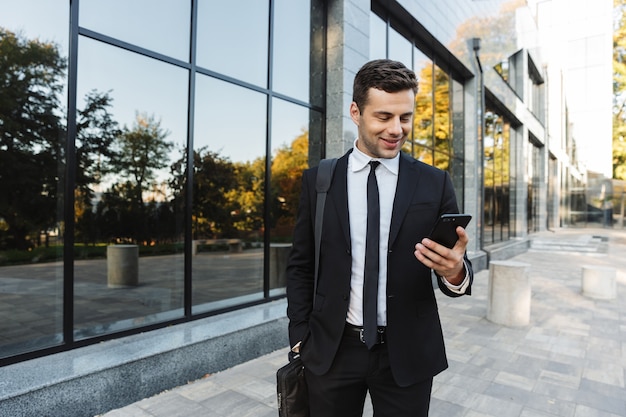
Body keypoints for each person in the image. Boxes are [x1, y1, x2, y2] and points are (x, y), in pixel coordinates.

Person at [286, 58, 473, 417]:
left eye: (405, 117)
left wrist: (455, 273)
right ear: (356, 112)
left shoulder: (434, 183)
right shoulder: (319, 181)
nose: (396, 129)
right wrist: (299, 334)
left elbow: (452, 270)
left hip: (408, 354)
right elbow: (301, 264)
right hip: (332, 351)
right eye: (383, 117)